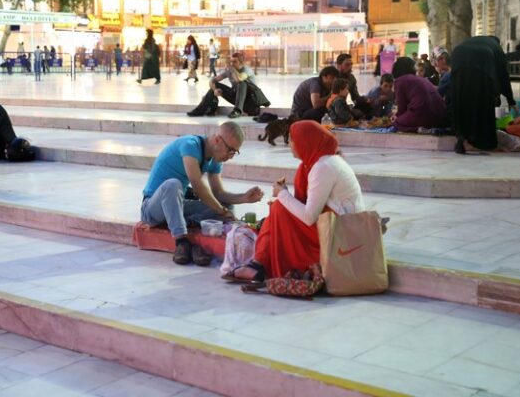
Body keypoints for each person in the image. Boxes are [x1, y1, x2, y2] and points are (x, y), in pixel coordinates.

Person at [224, 121, 364, 282]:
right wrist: (285, 197)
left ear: (306, 142)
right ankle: (258, 265)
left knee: (279, 208)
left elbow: (309, 216)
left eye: (292, 140)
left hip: (339, 233)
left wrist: (283, 194)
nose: (290, 144)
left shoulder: (323, 166)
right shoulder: (316, 163)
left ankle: (260, 265)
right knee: (279, 209)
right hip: (333, 224)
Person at [140, 122, 263, 265]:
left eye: (235, 152)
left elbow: (218, 193)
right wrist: (221, 211)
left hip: (177, 205)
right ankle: (182, 241)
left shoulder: (215, 159)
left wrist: (243, 198)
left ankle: (179, 221)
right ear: (217, 140)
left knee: (227, 207)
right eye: (230, 150)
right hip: (152, 207)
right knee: (173, 185)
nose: (231, 156)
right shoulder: (190, 145)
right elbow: (198, 186)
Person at [451, 36, 518, 153]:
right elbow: (503, 75)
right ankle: (482, 143)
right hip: (482, 59)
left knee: (461, 100)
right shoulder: (496, 48)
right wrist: (511, 100)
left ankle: (462, 139)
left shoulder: (476, 40)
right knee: (482, 102)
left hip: (458, 54)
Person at [187, 52, 271, 118]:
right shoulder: (230, 70)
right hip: (238, 99)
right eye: (231, 61)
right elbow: (212, 80)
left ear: (241, 63)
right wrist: (215, 90)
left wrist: (232, 70)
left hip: (251, 104)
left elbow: (239, 79)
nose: (232, 64)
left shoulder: (246, 70)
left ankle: (237, 111)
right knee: (216, 85)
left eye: (235, 62)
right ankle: (199, 110)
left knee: (242, 83)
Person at [391, 57, 449, 133]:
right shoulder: (418, 79)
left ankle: (420, 130)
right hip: (440, 116)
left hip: (423, 115)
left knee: (397, 123)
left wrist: (398, 118)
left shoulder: (399, 81)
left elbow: (402, 108)